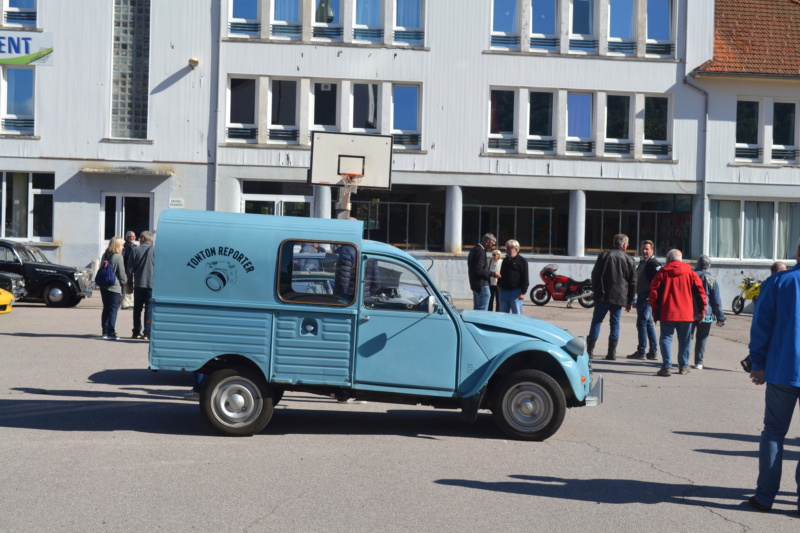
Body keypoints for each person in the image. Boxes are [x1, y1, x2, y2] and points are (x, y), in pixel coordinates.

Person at [746, 240, 800, 515]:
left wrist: (758, 362)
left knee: (774, 433)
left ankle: (765, 497)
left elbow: (761, 323)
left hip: (783, 369)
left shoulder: (779, 281)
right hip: (783, 369)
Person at [649, 249, 706, 376]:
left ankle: (666, 366)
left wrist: (655, 311)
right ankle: (683, 366)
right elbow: (700, 293)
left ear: (668, 259)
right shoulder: (691, 272)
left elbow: (654, 293)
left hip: (667, 312)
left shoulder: (663, 272)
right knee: (685, 340)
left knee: (666, 339)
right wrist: (702, 310)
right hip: (686, 313)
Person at [587, 234, 636, 360]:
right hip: (619, 296)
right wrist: (630, 300)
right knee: (615, 324)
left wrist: (596, 289)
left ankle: (590, 351)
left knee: (596, 322)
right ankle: (611, 353)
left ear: (614, 243)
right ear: (624, 245)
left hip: (603, 295)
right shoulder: (629, 259)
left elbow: (595, 275)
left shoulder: (604, 255)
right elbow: (633, 282)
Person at [627, 240, 661, 360]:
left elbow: (658, 280)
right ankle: (652, 351)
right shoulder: (643, 261)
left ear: (652, 250)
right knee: (647, 324)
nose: (644, 251)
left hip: (647, 297)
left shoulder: (653, 263)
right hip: (642, 295)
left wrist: (652, 295)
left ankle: (641, 351)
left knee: (641, 323)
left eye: (647, 249)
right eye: (643, 249)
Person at [692, 255, 725, 370]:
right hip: (706, 312)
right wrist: (721, 317)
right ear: (708, 266)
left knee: (686, 337)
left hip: (689, 311)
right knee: (702, 338)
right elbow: (716, 300)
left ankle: (683, 360)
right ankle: (699, 362)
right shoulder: (711, 279)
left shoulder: (690, 275)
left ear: (697, 264)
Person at [127, 230, 155, 341]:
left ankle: (136, 332)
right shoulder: (155, 251)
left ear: (143, 239)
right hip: (151, 285)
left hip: (139, 285)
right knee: (149, 309)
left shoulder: (135, 250)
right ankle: (147, 333)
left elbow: (129, 269)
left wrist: (129, 283)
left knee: (137, 309)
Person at [99, 236, 127, 340]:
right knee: (113, 309)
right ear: (117, 246)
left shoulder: (105, 255)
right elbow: (121, 273)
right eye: (122, 245)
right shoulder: (118, 257)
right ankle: (111, 332)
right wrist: (126, 282)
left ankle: (104, 332)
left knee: (106, 308)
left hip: (103, 286)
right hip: (114, 286)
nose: (123, 247)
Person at [467, 233, 498, 310]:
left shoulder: (474, 250)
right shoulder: (480, 251)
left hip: (475, 284)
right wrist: (493, 274)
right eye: (492, 245)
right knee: (481, 311)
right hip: (482, 285)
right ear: (487, 242)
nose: (492, 247)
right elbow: (479, 270)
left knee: (477, 310)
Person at [497, 239, 528, 314]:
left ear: (516, 249)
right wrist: (498, 284)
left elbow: (525, 277)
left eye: (509, 248)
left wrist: (523, 292)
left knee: (516, 314)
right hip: (503, 291)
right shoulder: (505, 260)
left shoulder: (522, 261)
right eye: (506, 248)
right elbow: (501, 273)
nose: (507, 250)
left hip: (515, 292)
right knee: (503, 314)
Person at [120, 231, 137, 309]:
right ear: (127, 238)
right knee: (127, 286)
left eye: (134, 236)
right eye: (131, 236)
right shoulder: (125, 247)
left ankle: (131, 303)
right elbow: (123, 258)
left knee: (132, 286)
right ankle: (125, 303)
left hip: (134, 270)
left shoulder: (136, 246)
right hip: (127, 269)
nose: (133, 238)